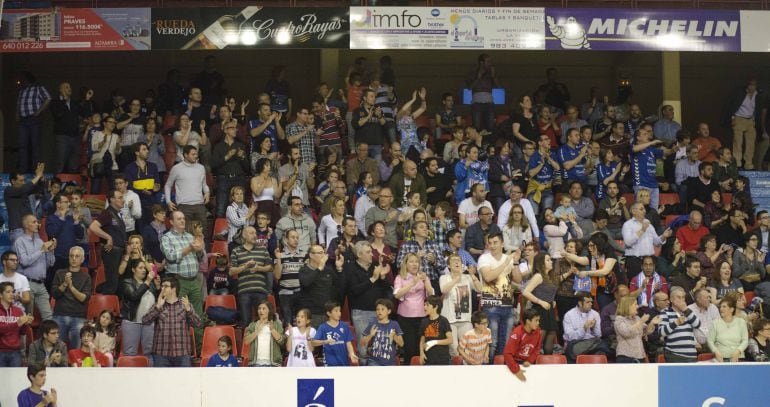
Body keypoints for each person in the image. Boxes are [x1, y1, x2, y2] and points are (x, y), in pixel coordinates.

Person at [477, 232, 522, 362]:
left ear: (502, 243)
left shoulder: (508, 259)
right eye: (490, 243)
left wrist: (515, 262)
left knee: (506, 343)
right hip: (490, 305)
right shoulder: (484, 258)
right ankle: (488, 371)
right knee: (492, 343)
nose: (492, 246)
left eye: (495, 242)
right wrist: (505, 263)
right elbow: (488, 277)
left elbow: (518, 280)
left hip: (507, 305)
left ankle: (501, 371)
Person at [142, 277, 202, 367]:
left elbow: (198, 323)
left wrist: (189, 310)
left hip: (182, 353)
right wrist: (158, 307)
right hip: (161, 353)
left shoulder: (185, 305)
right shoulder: (158, 305)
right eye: (162, 286)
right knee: (161, 381)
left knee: (184, 381)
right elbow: (145, 321)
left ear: (174, 289)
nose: (162, 288)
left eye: (165, 286)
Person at [393, 252, 434, 364]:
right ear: (405, 264)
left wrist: (426, 282)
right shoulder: (400, 278)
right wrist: (412, 283)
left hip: (422, 317)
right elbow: (397, 295)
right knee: (409, 349)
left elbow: (431, 295)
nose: (415, 264)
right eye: (411, 262)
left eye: (417, 262)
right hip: (405, 319)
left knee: (421, 348)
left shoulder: (423, 277)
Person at [439, 253, 483, 356]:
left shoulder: (467, 278)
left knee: (468, 348)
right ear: (448, 266)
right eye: (453, 260)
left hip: (465, 319)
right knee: (454, 350)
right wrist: (456, 279)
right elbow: (444, 290)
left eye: (458, 260)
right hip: (450, 320)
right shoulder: (444, 277)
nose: (456, 262)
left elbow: (480, 289)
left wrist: (472, 275)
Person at [229, 226, 273, 326]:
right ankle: (247, 342)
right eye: (251, 233)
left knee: (264, 321)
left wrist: (259, 268)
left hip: (261, 290)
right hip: (244, 292)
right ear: (244, 235)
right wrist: (245, 266)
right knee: (246, 322)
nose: (255, 235)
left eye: (255, 233)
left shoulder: (263, 249)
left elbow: (270, 268)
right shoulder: (236, 251)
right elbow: (231, 272)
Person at [14, 214, 55, 321]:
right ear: (26, 225)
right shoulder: (20, 241)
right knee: (27, 318)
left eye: (37, 222)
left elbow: (50, 263)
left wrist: (51, 250)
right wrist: (41, 250)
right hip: (26, 284)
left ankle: (46, 337)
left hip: (41, 284)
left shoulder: (40, 241)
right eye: (34, 222)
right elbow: (24, 262)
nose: (38, 224)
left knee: (49, 317)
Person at [165, 146, 210, 238]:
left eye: (196, 154)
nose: (196, 156)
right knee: (185, 234)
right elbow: (167, 185)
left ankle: (204, 252)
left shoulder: (201, 168)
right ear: (185, 155)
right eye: (193, 154)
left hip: (199, 205)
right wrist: (168, 201)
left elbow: (204, 184)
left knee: (203, 233)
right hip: (184, 206)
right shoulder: (176, 168)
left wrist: (207, 192)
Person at [50, 247, 90, 349]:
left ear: (82, 259)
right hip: (60, 315)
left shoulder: (86, 277)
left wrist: (71, 286)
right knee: (56, 349)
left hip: (78, 317)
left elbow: (83, 298)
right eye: (71, 256)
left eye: (77, 256)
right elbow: (54, 294)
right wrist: (65, 283)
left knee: (76, 350)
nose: (74, 259)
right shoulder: (60, 273)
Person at [622, 203, 672, 281]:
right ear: (633, 211)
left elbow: (656, 242)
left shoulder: (649, 225)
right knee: (635, 286)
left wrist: (663, 236)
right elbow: (628, 242)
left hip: (650, 260)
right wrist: (642, 230)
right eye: (641, 209)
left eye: (644, 209)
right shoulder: (628, 225)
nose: (644, 211)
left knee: (651, 286)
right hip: (634, 261)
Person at [298, 245, 345, 328]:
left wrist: (339, 269)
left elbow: (339, 286)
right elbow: (306, 283)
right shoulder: (304, 270)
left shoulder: (328, 270)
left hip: (327, 313)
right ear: (311, 255)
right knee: (313, 340)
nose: (323, 255)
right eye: (320, 253)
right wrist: (319, 268)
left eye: (324, 253)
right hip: (312, 314)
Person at [522, 252, 559, 355]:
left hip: (549, 309)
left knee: (551, 335)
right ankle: (531, 363)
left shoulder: (550, 276)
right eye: (548, 260)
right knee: (540, 337)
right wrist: (541, 301)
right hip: (539, 309)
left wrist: (552, 300)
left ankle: (547, 364)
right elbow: (525, 292)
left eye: (550, 259)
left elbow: (548, 291)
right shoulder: (538, 276)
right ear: (541, 263)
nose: (551, 262)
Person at [121, 258, 159, 357]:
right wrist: (147, 281)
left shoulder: (150, 285)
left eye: (144, 268)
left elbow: (157, 302)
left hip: (148, 323)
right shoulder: (127, 282)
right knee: (130, 353)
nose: (143, 270)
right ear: (133, 270)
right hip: (131, 322)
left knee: (149, 353)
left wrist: (158, 288)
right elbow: (134, 296)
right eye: (140, 268)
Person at [211, 121, 249, 218]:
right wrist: (226, 157)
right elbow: (213, 165)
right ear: (225, 130)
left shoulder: (240, 145)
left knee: (240, 207)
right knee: (221, 208)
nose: (235, 130)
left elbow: (247, 168)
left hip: (239, 178)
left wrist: (242, 157)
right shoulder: (218, 146)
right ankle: (219, 231)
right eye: (232, 128)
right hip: (224, 178)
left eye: (236, 128)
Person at [16, 71, 51, 173]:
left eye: (23, 79)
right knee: (23, 144)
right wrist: (17, 114)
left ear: (28, 79)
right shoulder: (22, 91)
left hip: (34, 119)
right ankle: (23, 168)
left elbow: (48, 98)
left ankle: (35, 168)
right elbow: (19, 103)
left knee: (35, 144)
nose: (22, 81)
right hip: (23, 120)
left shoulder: (38, 88)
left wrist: (39, 111)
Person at [725, 78, 762, 170]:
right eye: (750, 85)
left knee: (751, 142)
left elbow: (757, 108)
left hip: (750, 120)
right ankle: (737, 163)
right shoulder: (740, 93)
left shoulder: (757, 94)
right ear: (747, 85)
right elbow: (732, 104)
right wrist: (733, 117)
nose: (752, 87)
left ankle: (748, 163)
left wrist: (754, 119)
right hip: (739, 118)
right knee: (738, 141)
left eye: (753, 85)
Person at [658, 286, 701, 363]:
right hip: (674, 355)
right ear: (671, 299)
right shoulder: (665, 312)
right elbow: (661, 332)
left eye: (683, 297)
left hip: (691, 355)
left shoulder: (688, 311)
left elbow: (697, 324)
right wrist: (676, 323)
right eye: (678, 297)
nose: (681, 300)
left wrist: (685, 310)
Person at [563, 292, 608, 362]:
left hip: (592, 344)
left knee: (601, 350)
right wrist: (584, 328)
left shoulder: (595, 314)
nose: (591, 304)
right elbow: (570, 337)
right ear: (580, 303)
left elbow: (598, 335)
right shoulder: (569, 315)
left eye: (591, 302)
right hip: (575, 344)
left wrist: (593, 328)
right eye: (588, 302)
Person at [312, 301, 358, 366]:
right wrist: (325, 341)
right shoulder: (323, 327)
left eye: (340, 311)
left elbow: (348, 343)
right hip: (329, 363)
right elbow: (313, 342)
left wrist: (352, 353)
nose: (339, 313)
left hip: (344, 362)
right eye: (336, 311)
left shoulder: (344, 326)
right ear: (329, 313)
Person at [614, 296, 660, 363]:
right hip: (626, 357)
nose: (637, 306)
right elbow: (626, 333)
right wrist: (641, 322)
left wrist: (652, 323)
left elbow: (645, 331)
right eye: (635, 304)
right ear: (627, 306)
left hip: (640, 355)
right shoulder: (619, 319)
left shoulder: (637, 318)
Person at [361, 298, 404, 366]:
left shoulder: (394, 324)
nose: (379, 311)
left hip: (390, 362)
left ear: (389, 311)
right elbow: (362, 343)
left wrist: (394, 336)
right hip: (374, 361)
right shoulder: (372, 324)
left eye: (382, 309)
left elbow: (401, 344)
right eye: (377, 309)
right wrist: (371, 335)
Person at [503, 308, 542, 381]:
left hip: (527, 362)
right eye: (536, 320)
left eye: (538, 320)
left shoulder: (538, 331)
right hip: (514, 362)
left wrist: (530, 360)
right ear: (528, 321)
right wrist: (516, 370)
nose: (538, 323)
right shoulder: (517, 333)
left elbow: (537, 349)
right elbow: (507, 353)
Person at [0, 281, 33, 367]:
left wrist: (25, 324)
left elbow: (22, 332)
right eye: (8, 292)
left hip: (15, 352)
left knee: (15, 380)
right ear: (0, 295)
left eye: (13, 292)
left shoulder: (18, 311)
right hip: (0, 351)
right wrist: (17, 323)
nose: (12, 294)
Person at [243, 300, 286, 367]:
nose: (261, 311)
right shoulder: (252, 325)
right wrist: (257, 331)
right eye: (259, 308)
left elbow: (282, 342)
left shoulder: (277, 325)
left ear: (269, 311)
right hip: (255, 363)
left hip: (273, 364)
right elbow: (246, 341)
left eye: (264, 308)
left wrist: (272, 330)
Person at [707, 296, 749, 362]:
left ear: (731, 309)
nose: (721, 309)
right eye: (720, 307)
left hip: (738, 358)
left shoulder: (741, 322)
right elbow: (710, 340)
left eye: (724, 307)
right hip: (721, 359)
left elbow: (745, 340)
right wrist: (716, 352)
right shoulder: (715, 323)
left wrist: (738, 351)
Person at [419, 295, 453, 365]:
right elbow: (422, 339)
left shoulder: (443, 321)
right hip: (428, 359)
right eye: (424, 305)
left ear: (436, 307)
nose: (424, 307)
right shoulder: (424, 321)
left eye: (427, 305)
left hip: (442, 359)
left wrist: (434, 342)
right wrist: (421, 353)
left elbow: (450, 340)